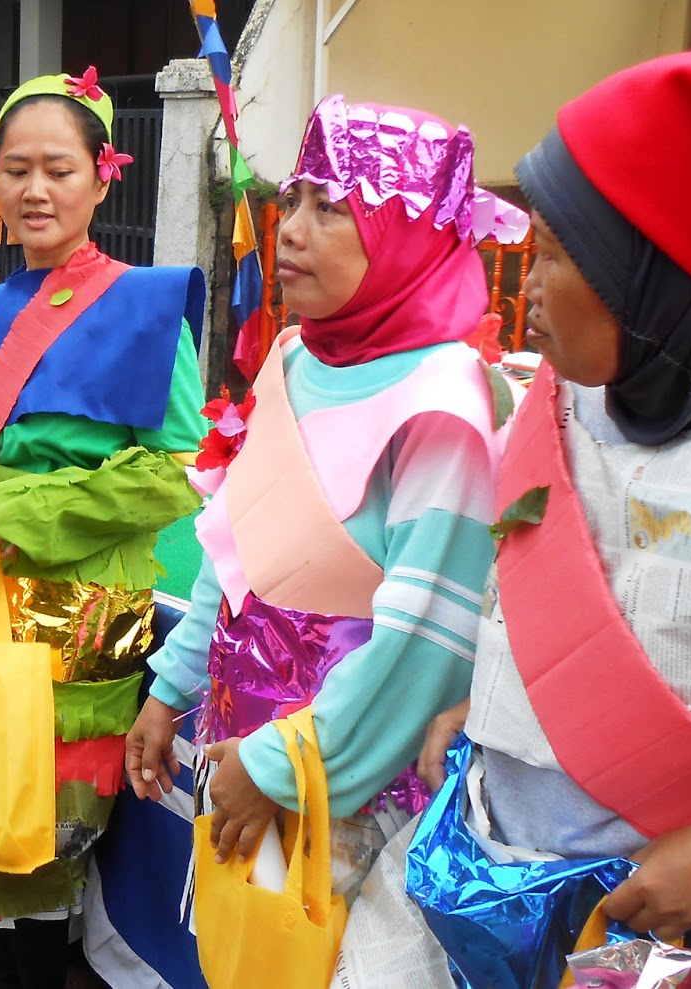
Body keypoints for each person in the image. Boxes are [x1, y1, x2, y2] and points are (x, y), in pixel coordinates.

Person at [336, 50, 691, 989]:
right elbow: (595, 598)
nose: (529, 289)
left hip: (679, 932)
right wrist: (506, 705)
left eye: (556, 254)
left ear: (657, 279)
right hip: (473, 879)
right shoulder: (566, 404)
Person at [117, 97, 523, 984]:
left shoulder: (444, 406)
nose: (289, 228)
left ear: (407, 232)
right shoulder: (298, 357)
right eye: (291, 198)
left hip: (346, 789)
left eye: (332, 206)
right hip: (243, 751)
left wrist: (280, 764)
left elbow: (425, 643)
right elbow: (238, 555)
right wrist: (169, 690)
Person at [0, 67, 207, 989]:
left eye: (58, 170)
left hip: (85, 599)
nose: (33, 189)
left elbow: (175, 470)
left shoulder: (147, 310)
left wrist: (25, 509)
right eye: (14, 168)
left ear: (104, 177)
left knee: (51, 823)